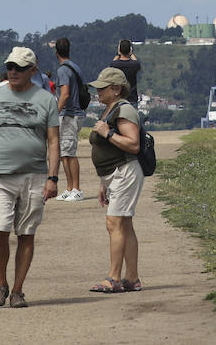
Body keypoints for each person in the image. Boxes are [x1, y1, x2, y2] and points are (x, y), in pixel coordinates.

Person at [0, 46, 60, 308]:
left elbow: (53, 141)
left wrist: (53, 178)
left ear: (33, 70)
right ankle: (1, 283)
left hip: (34, 175)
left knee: (26, 233)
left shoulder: (46, 99)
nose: (13, 72)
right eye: (10, 67)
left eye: (19, 68)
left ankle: (18, 290)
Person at [87, 67, 145, 293]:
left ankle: (113, 278)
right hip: (115, 175)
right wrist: (104, 183)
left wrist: (107, 133)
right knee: (125, 224)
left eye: (102, 87)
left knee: (114, 223)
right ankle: (132, 278)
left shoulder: (124, 110)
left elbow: (133, 144)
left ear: (116, 88)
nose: (98, 91)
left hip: (125, 172)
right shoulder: (110, 110)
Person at [55, 36, 86, 201]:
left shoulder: (62, 70)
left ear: (56, 52)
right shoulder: (75, 67)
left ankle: (77, 188)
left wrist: (55, 113)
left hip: (69, 114)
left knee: (69, 153)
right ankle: (69, 188)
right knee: (64, 153)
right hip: (76, 113)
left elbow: (65, 94)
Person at [110, 39, 141, 104]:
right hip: (132, 98)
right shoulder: (135, 65)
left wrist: (118, 54)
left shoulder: (115, 65)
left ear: (119, 51)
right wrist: (131, 54)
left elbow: (112, 64)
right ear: (130, 50)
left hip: (118, 98)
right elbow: (136, 62)